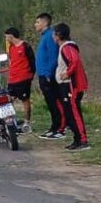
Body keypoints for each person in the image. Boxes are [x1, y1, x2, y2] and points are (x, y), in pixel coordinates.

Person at [54, 23, 90, 151]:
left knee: (74, 113)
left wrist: (67, 73)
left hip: (72, 86)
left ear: (58, 35)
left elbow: (74, 61)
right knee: (69, 113)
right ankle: (76, 139)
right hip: (66, 85)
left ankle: (82, 140)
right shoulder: (64, 47)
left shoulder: (67, 47)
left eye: (54, 34)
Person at [34, 13, 66, 141]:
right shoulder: (44, 37)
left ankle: (59, 128)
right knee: (50, 103)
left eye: (37, 22)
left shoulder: (50, 36)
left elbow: (54, 57)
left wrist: (48, 74)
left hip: (49, 76)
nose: (35, 25)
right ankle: (54, 127)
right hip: (42, 75)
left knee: (55, 103)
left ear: (44, 23)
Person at [3, 28, 36, 129]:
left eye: (6, 36)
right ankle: (11, 121)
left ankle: (27, 122)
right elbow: (12, 62)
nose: (6, 39)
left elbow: (32, 61)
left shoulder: (25, 46)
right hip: (12, 79)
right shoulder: (11, 48)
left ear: (11, 36)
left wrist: (31, 75)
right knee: (8, 99)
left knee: (25, 100)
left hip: (23, 78)